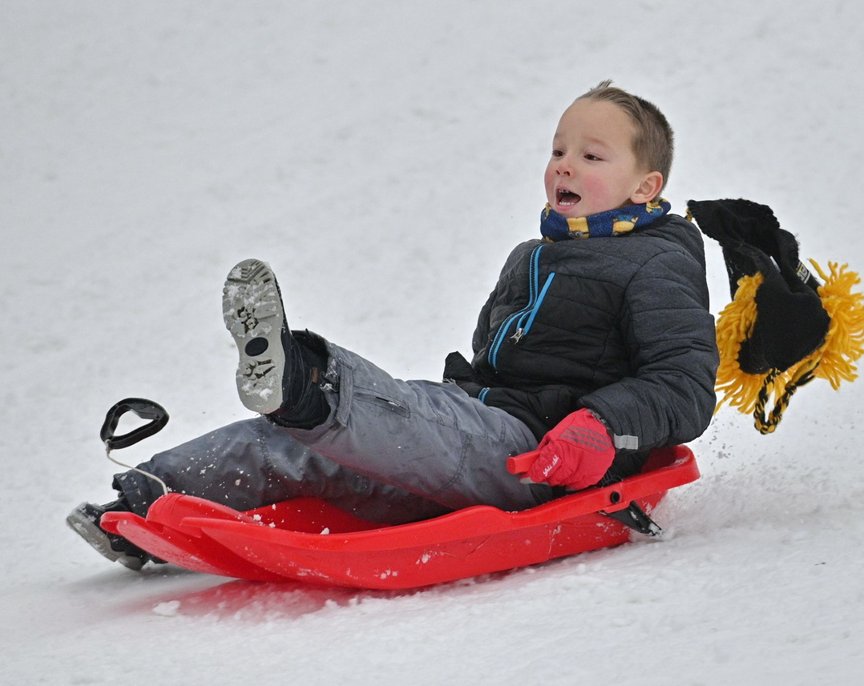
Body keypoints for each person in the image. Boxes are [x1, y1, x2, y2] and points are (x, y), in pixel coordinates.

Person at [67, 81, 719, 570]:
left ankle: (305, 378)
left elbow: (684, 383)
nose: (564, 165)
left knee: (393, 416)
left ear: (645, 186)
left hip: (541, 453)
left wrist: (605, 428)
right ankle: (145, 493)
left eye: (592, 155)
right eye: (558, 149)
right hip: (483, 425)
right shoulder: (533, 255)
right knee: (304, 444)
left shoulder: (657, 261)